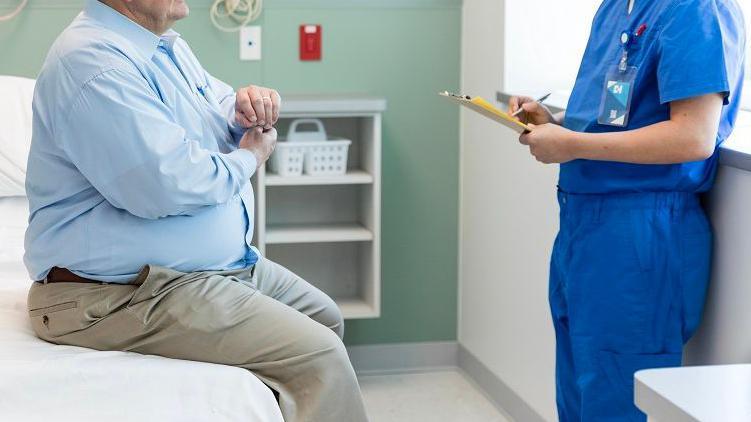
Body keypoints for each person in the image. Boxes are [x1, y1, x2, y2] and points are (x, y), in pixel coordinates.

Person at [23, 1, 369, 421]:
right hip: (115, 294)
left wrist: (245, 111)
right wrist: (250, 157)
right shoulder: (91, 62)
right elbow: (165, 185)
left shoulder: (163, 46)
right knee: (320, 355)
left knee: (324, 317)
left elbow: (216, 109)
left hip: (198, 273)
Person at [509, 0, 746, 420]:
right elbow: (617, 114)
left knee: (616, 398)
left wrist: (573, 145)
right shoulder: (617, 7)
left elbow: (693, 136)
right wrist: (556, 123)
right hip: (582, 226)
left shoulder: (696, 9)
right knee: (579, 390)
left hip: (640, 233)